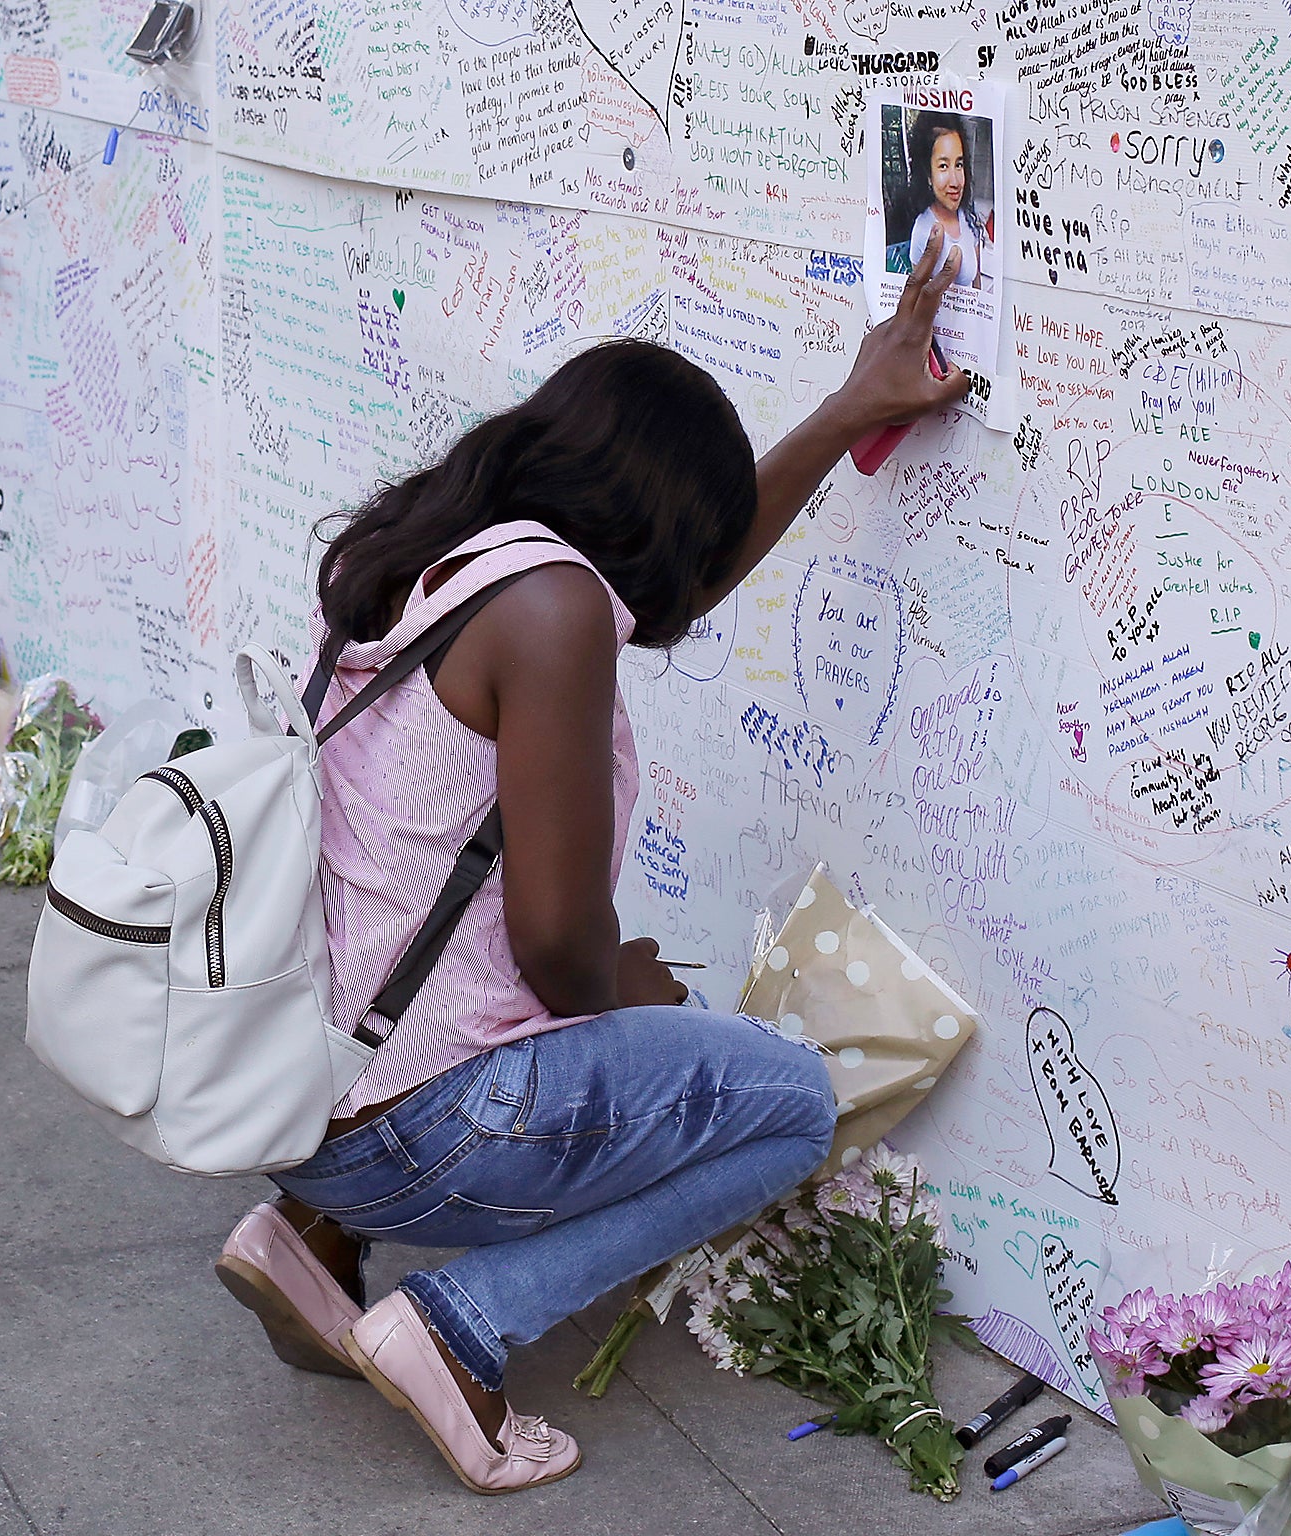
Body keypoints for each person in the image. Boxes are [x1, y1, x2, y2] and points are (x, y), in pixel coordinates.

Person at [212, 238, 969, 1494]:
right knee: (787, 1105)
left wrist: (845, 415)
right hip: (417, 1133)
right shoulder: (555, 614)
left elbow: (677, 584)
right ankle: (459, 1329)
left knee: (435, 965)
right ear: (649, 523)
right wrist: (624, 996)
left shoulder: (436, 551)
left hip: (295, 1086)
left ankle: (310, 1237)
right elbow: (559, 939)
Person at [885, 112, 990, 289]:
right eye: (943, 166)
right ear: (928, 174)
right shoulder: (923, 230)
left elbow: (976, 283)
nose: (955, 181)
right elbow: (917, 294)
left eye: (959, 164)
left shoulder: (968, 219)